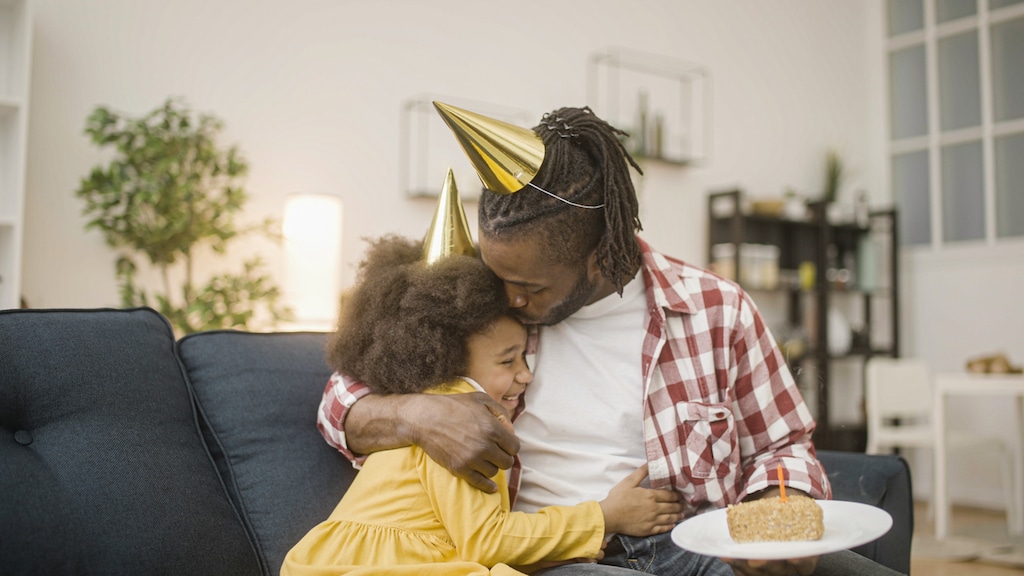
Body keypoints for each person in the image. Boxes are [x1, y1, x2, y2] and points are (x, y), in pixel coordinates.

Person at [317, 103, 902, 576]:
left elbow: (782, 444)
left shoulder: (717, 309)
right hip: (559, 557)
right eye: (501, 279)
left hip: (696, 544)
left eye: (530, 287)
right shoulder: (479, 310)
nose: (507, 299)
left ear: (602, 256)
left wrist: (777, 509)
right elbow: (341, 399)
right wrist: (420, 416)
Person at [284, 232, 683, 576]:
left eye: (524, 357)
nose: (526, 375)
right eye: (508, 361)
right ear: (447, 358)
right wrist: (605, 515)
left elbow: (473, 539)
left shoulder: (445, 400)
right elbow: (487, 540)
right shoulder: (462, 415)